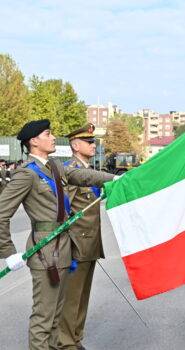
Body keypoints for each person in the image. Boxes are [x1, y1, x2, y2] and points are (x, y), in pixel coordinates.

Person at [0, 119, 115, 350]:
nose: (53, 138)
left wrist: (116, 179)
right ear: (34, 141)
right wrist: (8, 252)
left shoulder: (53, 166)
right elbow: (2, 213)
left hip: (63, 248)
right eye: (48, 134)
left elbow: (82, 176)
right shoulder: (27, 173)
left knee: (55, 318)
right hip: (45, 252)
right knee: (43, 319)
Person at [58, 124, 104, 350]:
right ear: (76, 146)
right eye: (89, 142)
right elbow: (63, 211)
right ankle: (65, 343)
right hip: (76, 245)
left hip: (90, 244)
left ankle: (76, 338)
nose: (94, 145)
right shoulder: (71, 171)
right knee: (71, 297)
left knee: (82, 296)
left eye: (93, 141)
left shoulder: (87, 170)